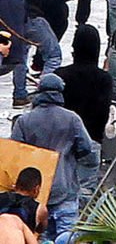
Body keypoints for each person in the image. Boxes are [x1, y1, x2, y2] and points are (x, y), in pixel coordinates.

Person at [11, 74, 98, 241]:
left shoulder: (25, 120)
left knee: (39, 237)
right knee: (69, 237)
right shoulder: (72, 119)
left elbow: (15, 153)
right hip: (66, 191)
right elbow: (86, 148)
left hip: (35, 194)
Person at [55, 25, 113, 207]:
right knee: (85, 192)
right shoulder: (104, 79)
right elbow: (104, 112)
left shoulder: (61, 75)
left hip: (62, 142)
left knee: (59, 192)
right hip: (92, 140)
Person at [0, 0, 60, 110]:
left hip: (15, 36)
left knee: (23, 56)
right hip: (30, 22)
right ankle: (43, 93)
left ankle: (20, 94)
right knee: (53, 55)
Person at [0, 168, 46, 235]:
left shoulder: (1, 196)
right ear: (36, 189)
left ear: (16, 184)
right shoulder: (40, 209)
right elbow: (41, 230)